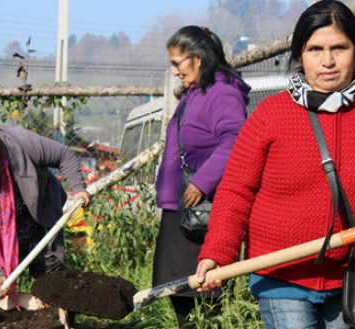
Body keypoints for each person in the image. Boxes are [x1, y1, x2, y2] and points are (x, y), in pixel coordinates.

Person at [195, 1, 355, 328]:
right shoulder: (270, 115)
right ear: (300, 55)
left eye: (339, 48)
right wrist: (217, 251)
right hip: (280, 273)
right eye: (315, 49)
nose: (327, 61)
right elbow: (235, 191)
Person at [154, 25, 251, 328]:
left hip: (204, 210)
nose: (174, 72)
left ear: (197, 58)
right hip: (181, 210)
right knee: (177, 289)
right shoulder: (197, 93)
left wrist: (202, 181)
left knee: (202, 295)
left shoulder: (222, 93)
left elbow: (236, 138)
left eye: (177, 63)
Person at [0, 125, 90, 298]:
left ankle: (62, 319)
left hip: (38, 215)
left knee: (52, 279)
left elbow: (64, 155)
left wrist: (78, 188)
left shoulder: (22, 144)